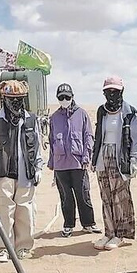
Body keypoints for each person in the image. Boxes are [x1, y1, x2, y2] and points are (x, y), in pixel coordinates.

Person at [0, 80, 44, 262]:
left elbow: (38, 145)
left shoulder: (31, 119)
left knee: (25, 211)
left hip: (26, 173)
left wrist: (38, 167)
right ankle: (2, 249)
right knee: (3, 211)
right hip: (2, 174)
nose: (15, 102)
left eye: (19, 99)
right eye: (11, 99)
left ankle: (24, 247)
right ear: (4, 99)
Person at [90, 76, 137, 251]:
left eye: (115, 91)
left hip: (120, 157)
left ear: (121, 91)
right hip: (103, 157)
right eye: (108, 91)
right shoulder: (102, 111)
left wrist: (134, 160)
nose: (111, 95)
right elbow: (99, 135)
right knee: (106, 196)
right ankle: (108, 232)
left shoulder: (130, 113)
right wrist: (94, 157)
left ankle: (120, 234)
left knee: (120, 197)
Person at [47, 83, 101, 237]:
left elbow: (88, 137)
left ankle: (88, 224)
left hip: (78, 162)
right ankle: (68, 224)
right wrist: (51, 162)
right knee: (65, 196)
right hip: (60, 164)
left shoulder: (82, 114)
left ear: (72, 97)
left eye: (67, 97)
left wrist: (86, 157)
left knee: (83, 193)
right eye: (61, 97)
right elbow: (51, 141)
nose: (64, 99)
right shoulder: (54, 117)